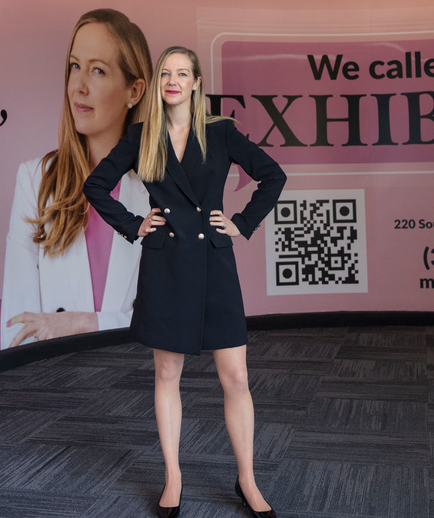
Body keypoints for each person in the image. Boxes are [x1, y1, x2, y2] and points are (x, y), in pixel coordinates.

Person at [84, 46, 286, 518]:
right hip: (166, 264)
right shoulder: (141, 135)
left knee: (235, 377)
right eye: (165, 73)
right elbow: (96, 185)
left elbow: (272, 176)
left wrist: (242, 222)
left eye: (182, 73)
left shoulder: (220, 133)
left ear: (196, 82)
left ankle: (247, 481)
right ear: (158, 83)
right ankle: (173, 478)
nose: (172, 80)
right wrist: (134, 224)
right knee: (166, 374)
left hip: (215, 265)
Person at [0, 9, 153, 349]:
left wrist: (83, 323)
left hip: (139, 387)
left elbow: (181, 321)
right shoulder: (35, 181)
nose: (78, 86)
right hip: (58, 391)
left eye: (97, 70)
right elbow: (16, 327)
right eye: (74, 66)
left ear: (134, 91)